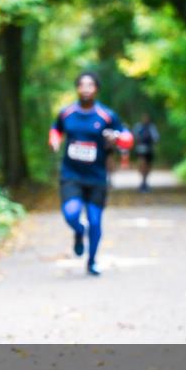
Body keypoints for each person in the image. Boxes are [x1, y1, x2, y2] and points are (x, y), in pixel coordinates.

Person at [48, 72, 133, 276]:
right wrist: (54, 140)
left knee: (95, 221)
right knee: (71, 214)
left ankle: (92, 261)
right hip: (71, 174)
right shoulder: (67, 113)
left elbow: (126, 138)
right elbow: (56, 129)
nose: (86, 89)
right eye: (82, 85)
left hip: (96, 176)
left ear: (96, 89)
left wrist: (115, 138)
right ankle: (79, 231)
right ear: (77, 88)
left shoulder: (107, 115)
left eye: (90, 85)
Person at [133, 113, 160, 191]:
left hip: (149, 149)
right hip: (140, 149)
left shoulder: (152, 127)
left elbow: (156, 138)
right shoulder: (138, 127)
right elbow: (134, 136)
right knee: (142, 164)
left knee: (148, 166)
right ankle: (143, 181)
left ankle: (145, 181)